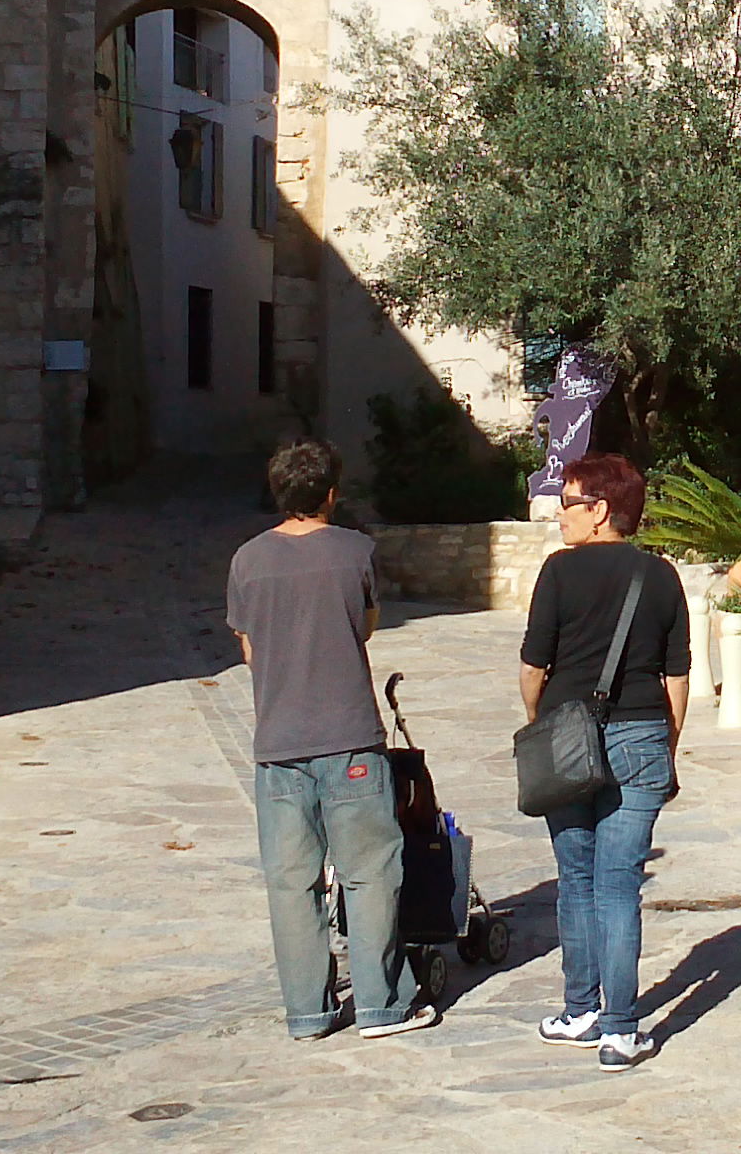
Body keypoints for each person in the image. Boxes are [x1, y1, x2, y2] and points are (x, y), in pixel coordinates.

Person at [227, 438, 433, 1043]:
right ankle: (381, 1003)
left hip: (278, 742)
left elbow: (248, 648)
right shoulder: (355, 552)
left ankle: (307, 1012)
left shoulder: (247, 560)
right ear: (331, 494)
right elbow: (365, 626)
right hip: (348, 737)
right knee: (369, 872)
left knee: (292, 882)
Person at [520, 452, 691, 1072]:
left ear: (599, 511)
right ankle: (621, 1030)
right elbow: (677, 675)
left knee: (577, 879)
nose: (558, 516)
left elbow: (534, 667)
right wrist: (666, 746)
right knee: (619, 885)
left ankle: (580, 1010)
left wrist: (542, 721)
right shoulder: (661, 575)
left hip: (567, 736)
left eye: (567, 504)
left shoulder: (558, 574)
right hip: (644, 733)